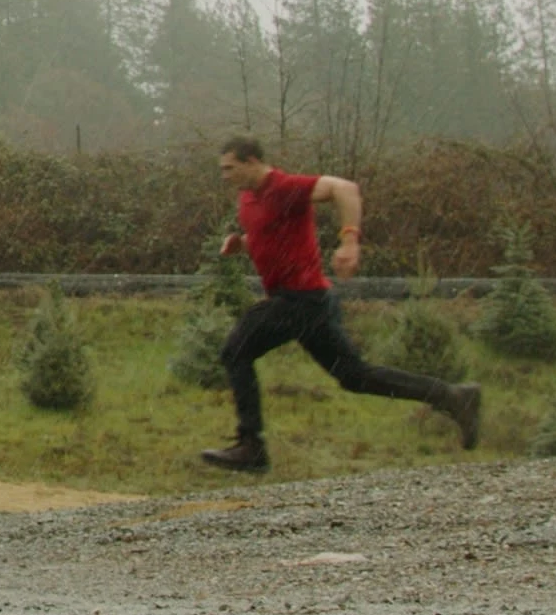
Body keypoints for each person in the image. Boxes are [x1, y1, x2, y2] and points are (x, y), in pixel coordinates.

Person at [198, 138, 479, 473]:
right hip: (307, 303)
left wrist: (349, 241)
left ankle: (251, 447)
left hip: (300, 299)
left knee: (236, 350)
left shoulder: (284, 187)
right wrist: (242, 244)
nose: (224, 175)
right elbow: (271, 232)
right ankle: (453, 397)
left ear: (252, 161)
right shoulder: (248, 199)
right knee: (355, 377)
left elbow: (344, 189)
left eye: (229, 167)